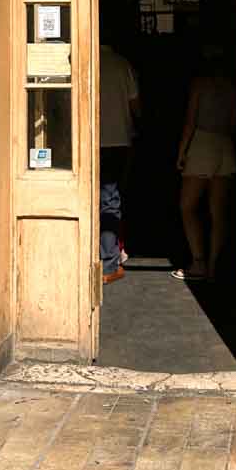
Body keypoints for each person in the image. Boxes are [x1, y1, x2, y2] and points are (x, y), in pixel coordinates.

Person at [172, 48, 236, 283]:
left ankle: (198, 260)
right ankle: (213, 265)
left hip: (201, 143)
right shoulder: (232, 88)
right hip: (225, 146)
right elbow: (233, 123)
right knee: (218, 212)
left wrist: (181, 153)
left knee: (187, 206)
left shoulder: (200, 85)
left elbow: (190, 122)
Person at [99, 39, 139, 285]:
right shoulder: (122, 65)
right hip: (118, 140)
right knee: (110, 200)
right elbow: (136, 105)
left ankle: (102, 257)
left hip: (87, 141)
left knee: (94, 199)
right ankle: (109, 263)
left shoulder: (81, 59)